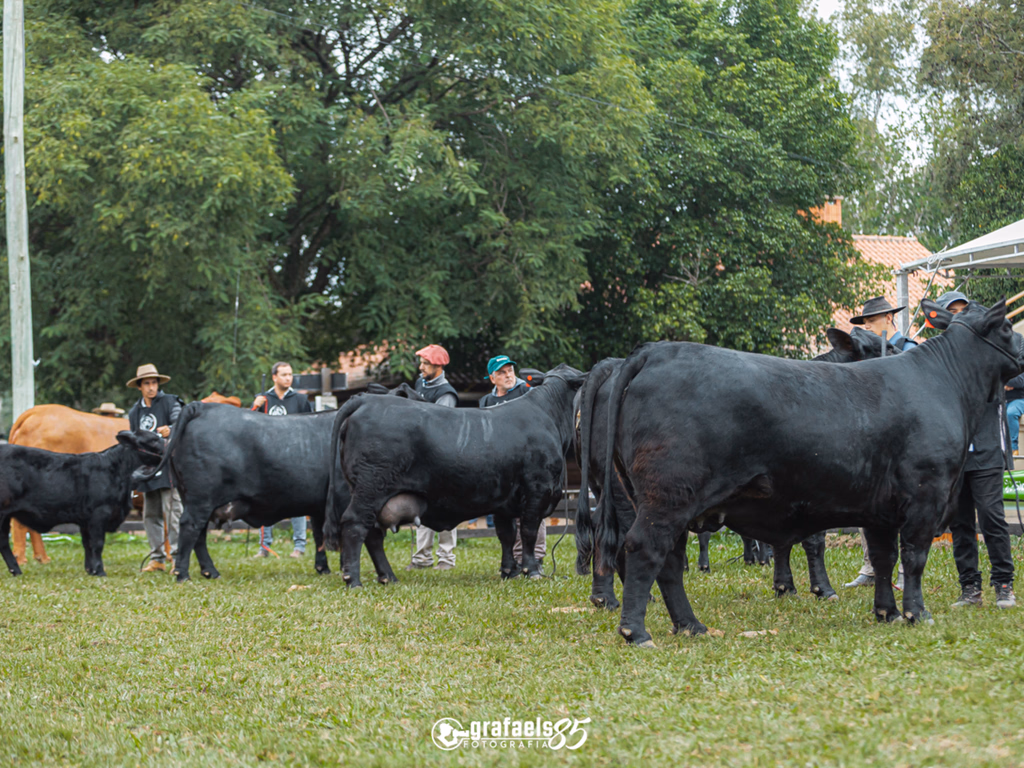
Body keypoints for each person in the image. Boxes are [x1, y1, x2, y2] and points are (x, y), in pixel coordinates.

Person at [938, 291, 1015, 608]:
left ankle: (1004, 585)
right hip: (953, 453)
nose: (959, 317)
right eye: (951, 314)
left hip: (986, 449)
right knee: (959, 523)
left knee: (992, 517)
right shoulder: (940, 359)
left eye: (963, 311)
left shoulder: (992, 350)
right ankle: (970, 588)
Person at [844, 297, 916, 588]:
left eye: (872, 321)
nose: (868, 327)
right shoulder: (865, 352)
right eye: (865, 323)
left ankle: (904, 573)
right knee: (869, 501)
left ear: (888, 318)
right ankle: (871, 567)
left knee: (907, 505)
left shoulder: (910, 349)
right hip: (873, 437)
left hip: (906, 441)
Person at [479, 354, 545, 563]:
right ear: (492, 378)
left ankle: (536, 558)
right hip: (500, 467)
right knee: (504, 511)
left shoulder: (528, 393)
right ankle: (512, 558)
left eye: (510, 370)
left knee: (533, 509)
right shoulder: (486, 401)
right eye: (501, 372)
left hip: (528, 463)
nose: (508, 375)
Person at [251, 362, 312, 558]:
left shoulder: (301, 400)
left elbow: (311, 427)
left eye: (290, 374)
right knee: (264, 501)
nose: (288, 378)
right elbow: (247, 425)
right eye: (284, 374)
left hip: (295, 458)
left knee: (299, 501)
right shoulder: (263, 399)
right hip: (267, 459)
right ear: (274, 377)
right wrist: (255, 406)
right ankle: (265, 547)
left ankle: (299, 546)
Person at [127, 364, 184, 573]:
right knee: (150, 514)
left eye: (154, 383)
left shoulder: (171, 402)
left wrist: (171, 430)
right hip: (147, 468)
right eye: (146, 384)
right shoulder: (135, 412)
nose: (151, 387)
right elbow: (134, 440)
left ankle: (178, 559)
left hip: (168, 465)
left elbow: (182, 423)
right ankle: (157, 558)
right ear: (140, 387)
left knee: (173, 513)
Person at [408, 344, 458, 570]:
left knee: (445, 508)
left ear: (438, 366)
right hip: (421, 457)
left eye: (426, 363)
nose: (421, 367)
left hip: (442, 459)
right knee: (421, 507)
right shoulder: (420, 383)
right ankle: (421, 558)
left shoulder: (446, 394)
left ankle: (446, 559)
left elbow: (440, 429)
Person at [1004, 371, 1024, 456]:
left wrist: (1002, 381)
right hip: (1002, 400)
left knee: (1011, 413)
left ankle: (1013, 448)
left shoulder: (1021, 363)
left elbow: (1020, 382)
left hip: (1020, 399)